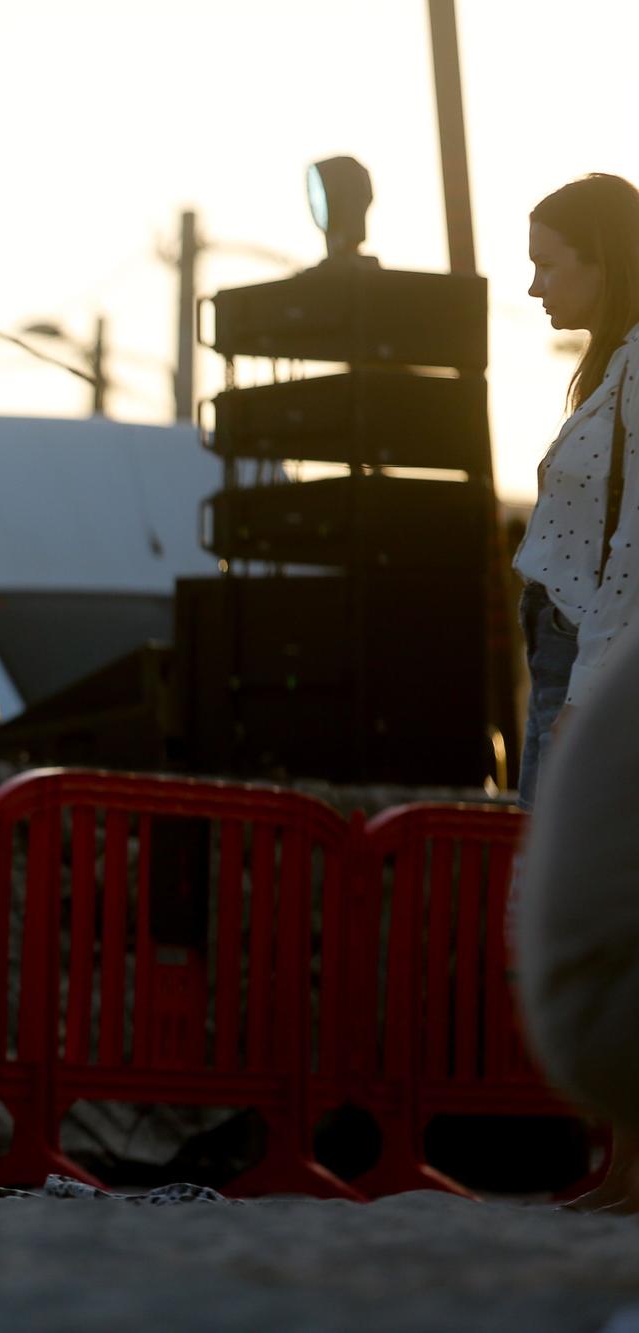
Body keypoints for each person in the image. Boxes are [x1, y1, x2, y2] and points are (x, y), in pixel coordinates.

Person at [510, 174, 639, 1210]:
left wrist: (591, 690)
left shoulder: (636, 370)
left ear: (604, 256)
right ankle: (619, 1165)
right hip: (573, 650)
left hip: (592, 658)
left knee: (604, 900)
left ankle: (626, 1167)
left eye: (549, 261)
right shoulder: (612, 370)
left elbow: (627, 555)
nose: (533, 284)